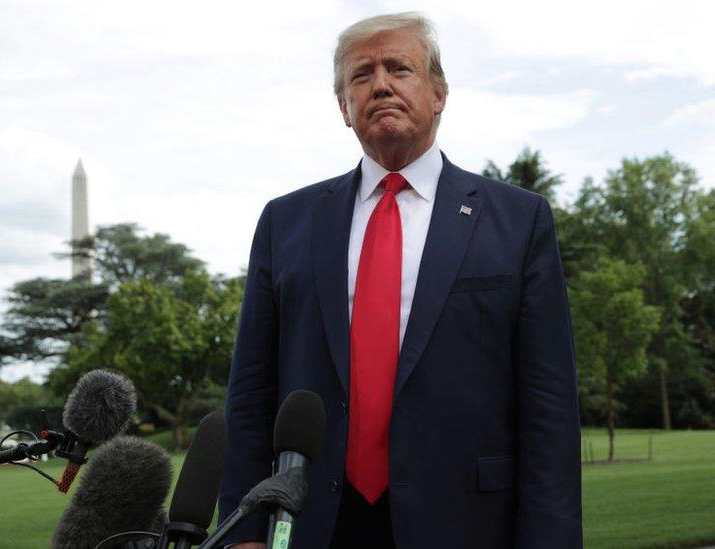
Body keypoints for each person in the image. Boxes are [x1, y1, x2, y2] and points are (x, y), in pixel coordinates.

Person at [219, 12, 582, 549]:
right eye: (361, 75)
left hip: (469, 522)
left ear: (438, 93)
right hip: (313, 522)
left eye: (399, 68)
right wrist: (243, 531)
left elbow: (548, 402)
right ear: (344, 107)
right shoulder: (286, 222)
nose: (381, 84)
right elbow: (250, 392)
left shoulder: (518, 220)